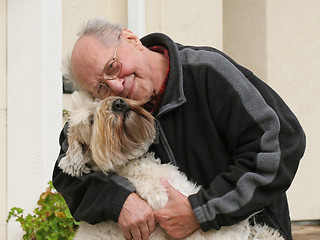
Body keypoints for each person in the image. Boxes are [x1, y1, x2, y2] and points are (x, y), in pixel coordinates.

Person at [53, 18, 306, 240]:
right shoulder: (107, 108)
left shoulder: (208, 72)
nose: (116, 87)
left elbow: (281, 144)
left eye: (112, 67)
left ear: (131, 39)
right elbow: (67, 171)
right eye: (100, 88)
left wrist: (201, 210)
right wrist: (120, 201)